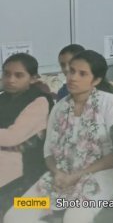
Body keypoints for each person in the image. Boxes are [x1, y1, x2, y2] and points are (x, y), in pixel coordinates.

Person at [6, 51, 113, 223]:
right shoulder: (59, 107)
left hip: (102, 175)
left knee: (75, 217)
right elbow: (48, 152)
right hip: (60, 176)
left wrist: (78, 175)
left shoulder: (111, 104)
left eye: (82, 73)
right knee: (14, 216)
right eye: (71, 71)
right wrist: (57, 172)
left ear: (97, 80)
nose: (72, 77)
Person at [0, 54, 54, 215]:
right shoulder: (4, 98)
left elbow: (11, 137)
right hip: (8, 166)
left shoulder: (39, 102)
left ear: (33, 78)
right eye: (6, 74)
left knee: (15, 214)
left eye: (18, 75)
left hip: (28, 173)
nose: (10, 80)